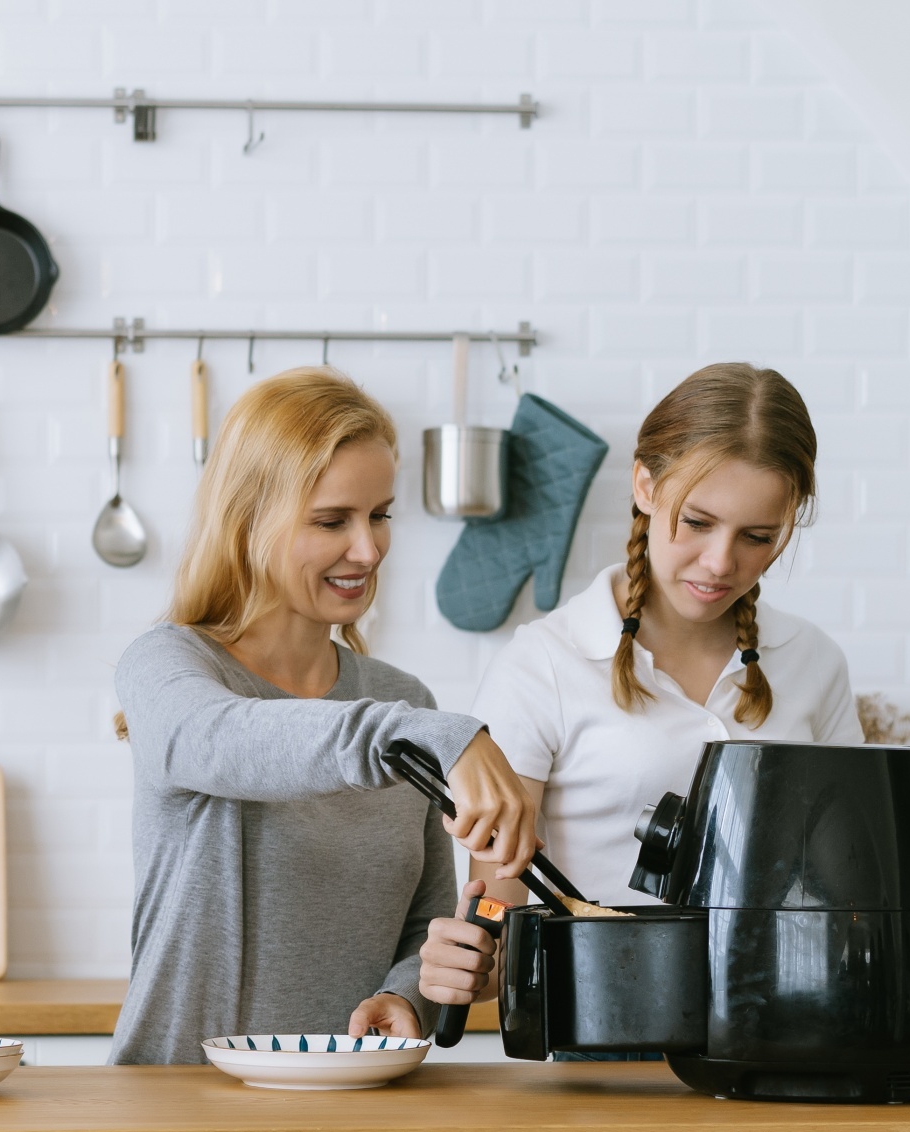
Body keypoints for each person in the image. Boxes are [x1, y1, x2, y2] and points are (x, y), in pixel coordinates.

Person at [109, 367, 540, 1066]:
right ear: (249, 520)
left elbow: (424, 925)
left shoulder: (403, 699)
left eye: (380, 515)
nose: (368, 551)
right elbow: (221, 740)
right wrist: (439, 736)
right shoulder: (168, 666)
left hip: (353, 1111)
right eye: (332, 521)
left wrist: (410, 993)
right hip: (183, 1110)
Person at [465, 361, 862, 928]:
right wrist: (473, 949)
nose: (722, 563)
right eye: (698, 522)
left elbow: (847, 881)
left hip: (783, 1014)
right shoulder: (541, 666)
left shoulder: (814, 661)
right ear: (646, 486)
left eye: (758, 537)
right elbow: (496, 911)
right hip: (599, 1012)